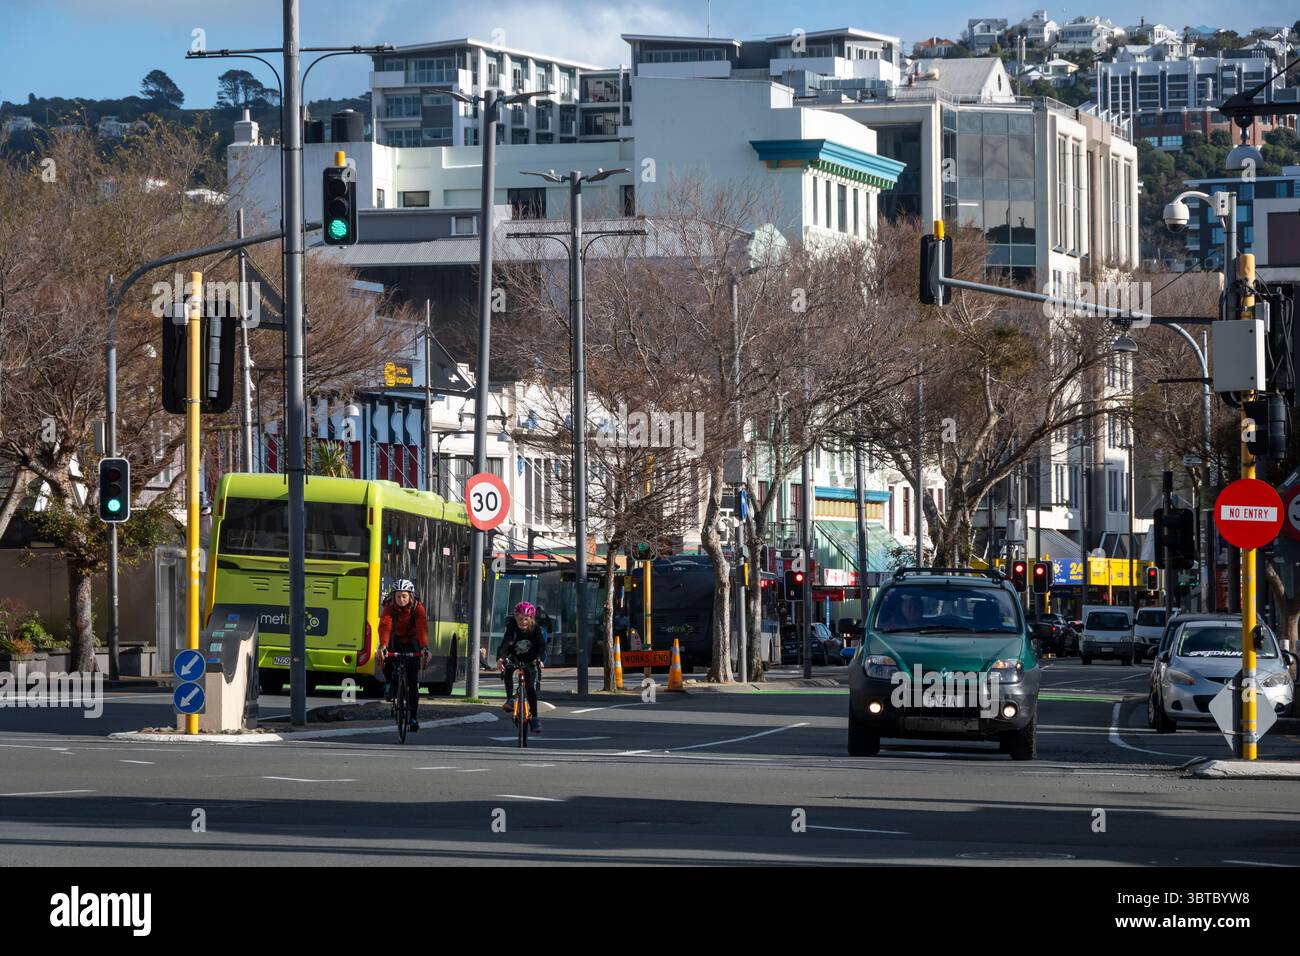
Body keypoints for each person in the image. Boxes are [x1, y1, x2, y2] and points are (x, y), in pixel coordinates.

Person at [378, 579, 431, 731]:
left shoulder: (417, 607)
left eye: (404, 596)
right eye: (398, 596)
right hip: (395, 638)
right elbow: (385, 626)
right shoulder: (389, 607)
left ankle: (413, 717)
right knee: (385, 656)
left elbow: (422, 628)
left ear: (410, 596)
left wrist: (424, 647)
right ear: (393, 597)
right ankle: (389, 683)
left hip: (412, 640)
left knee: (413, 683)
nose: (401, 600)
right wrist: (383, 646)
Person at [497, 601, 548, 734]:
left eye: (526, 619)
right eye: (520, 618)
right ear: (515, 617)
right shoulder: (512, 626)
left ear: (531, 619)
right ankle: (510, 699)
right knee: (508, 670)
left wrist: (538, 659)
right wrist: (501, 658)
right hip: (514, 656)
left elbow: (541, 646)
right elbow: (505, 643)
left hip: (530, 658)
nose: (523, 622)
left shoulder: (535, 629)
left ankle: (535, 717)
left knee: (530, 687)